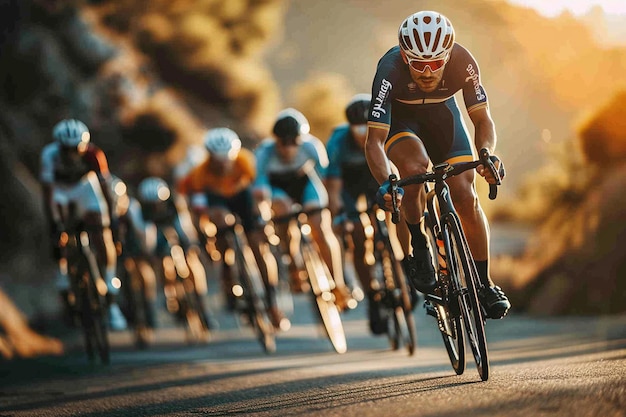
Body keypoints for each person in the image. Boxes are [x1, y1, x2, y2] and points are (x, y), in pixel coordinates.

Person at [364, 11, 511, 319]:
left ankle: (484, 283)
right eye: (418, 64)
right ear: (405, 57)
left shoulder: (463, 61)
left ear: (448, 55)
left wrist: (486, 155)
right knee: (414, 170)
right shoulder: (388, 70)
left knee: (465, 195)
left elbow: (482, 119)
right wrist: (387, 181)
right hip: (401, 123)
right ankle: (419, 248)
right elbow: (374, 141)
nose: (428, 72)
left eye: (435, 63)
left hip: (444, 118)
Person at [178, 127, 289, 330]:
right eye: (217, 159)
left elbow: (259, 192)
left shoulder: (245, 161)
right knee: (220, 228)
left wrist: (262, 219)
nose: (223, 164)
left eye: (227, 158)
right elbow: (196, 211)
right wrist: (205, 236)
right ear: (209, 156)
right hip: (217, 201)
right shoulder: (199, 174)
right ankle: (228, 278)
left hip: (242, 196)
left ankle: (272, 303)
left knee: (258, 247)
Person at [254, 108, 356, 311]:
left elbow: (326, 179)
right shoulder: (264, 153)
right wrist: (263, 216)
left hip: (304, 182)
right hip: (277, 188)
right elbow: (260, 189)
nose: (289, 149)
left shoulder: (311, 146)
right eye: (284, 143)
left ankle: (338, 284)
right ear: (276, 140)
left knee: (320, 228)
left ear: (302, 139)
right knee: (283, 212)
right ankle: (293, 263)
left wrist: (332, 207)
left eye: (294, 142)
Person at [40, 118, 128, 331]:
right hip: (61, 190)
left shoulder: (94, 154)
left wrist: (112, 220)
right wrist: (55, 224)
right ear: (58, 146)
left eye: (75, 149)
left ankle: (108, 284)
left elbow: (105, 188)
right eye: (66, 150)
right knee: (59, 226)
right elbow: (48, 193)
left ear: (84, 146)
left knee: (101, 230)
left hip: (84, 188)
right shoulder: (49, 155)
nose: (71, 154)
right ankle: (63, 275)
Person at [136, 176, 213, 330]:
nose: (156, 207)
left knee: (191, 260)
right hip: (156, 238)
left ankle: (201, 301)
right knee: (164, 264)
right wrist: (149, 251)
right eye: (152, 205)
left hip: (175, 234)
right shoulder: (140, 211)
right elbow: (145, 233)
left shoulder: (174, 204)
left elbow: (184, 225)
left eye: (158, 203)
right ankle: (169, 292)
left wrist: (190, 242)